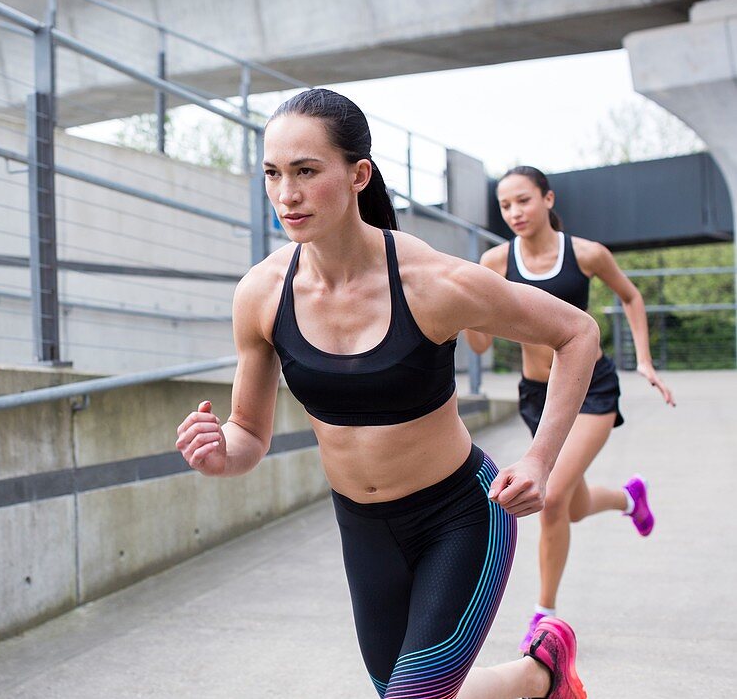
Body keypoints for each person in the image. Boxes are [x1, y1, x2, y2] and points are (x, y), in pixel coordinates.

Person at [175, 89, 599, 699]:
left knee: (413, 697)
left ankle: (542, 671)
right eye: (272, 173)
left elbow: (577, 333)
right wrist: (222, 454)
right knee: (408, 693)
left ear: (357, 175)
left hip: (460, 516)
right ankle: (542, 674)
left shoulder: (432, 283)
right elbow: (249, 433)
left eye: (306, 171)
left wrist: (539, 459)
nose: (286, 194)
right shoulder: (261, 295)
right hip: (364, 530)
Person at [465, 166, 675, 652]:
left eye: (524, 200)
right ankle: (629, 499)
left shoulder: (586, 253)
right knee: (574, 505)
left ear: (547, 199)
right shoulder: (495, 260)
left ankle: (545, 619)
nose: (515, 213)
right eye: (505, 206)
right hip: (537, 397)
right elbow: (477, 346)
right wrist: (466, 314)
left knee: (553, 497)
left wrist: (642, 360)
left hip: (590, 391)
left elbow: (630, 296)